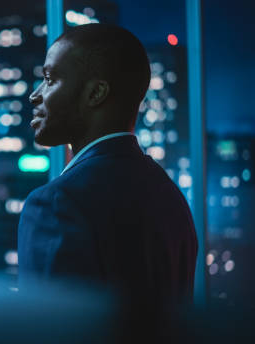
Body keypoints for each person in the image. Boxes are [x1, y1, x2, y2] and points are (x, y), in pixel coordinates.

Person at [17, 23, 198, 308]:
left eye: (50, 79)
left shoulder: (56, 204)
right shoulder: (170, 195)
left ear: (95, 94)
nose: (35, 95)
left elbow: (46, 330)